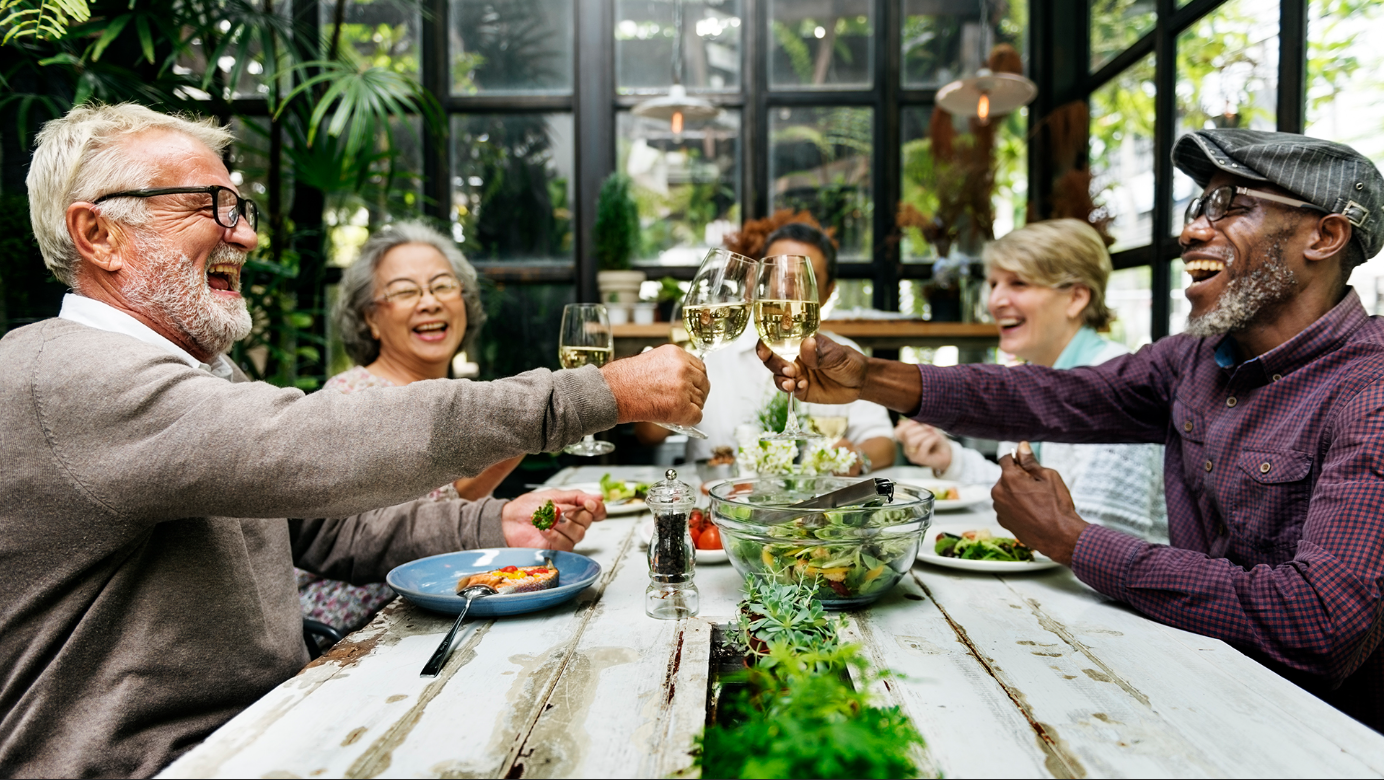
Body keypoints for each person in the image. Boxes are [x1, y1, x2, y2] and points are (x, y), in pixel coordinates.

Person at [0, 103, 708, 778]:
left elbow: (321, 532)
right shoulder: (68, 375)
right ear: (98, 235)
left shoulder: (197, 370)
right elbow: (318, 443)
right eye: (207, 205)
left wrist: (493, 522)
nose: (244, 234)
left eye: (239, 209)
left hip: (273, 723)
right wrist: (600, 393)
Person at [759, 129, 1384, 730]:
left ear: (1324, 235)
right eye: (1199, 207)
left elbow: (1320, 622)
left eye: (1232, 207)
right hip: (1192, 676)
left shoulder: (1369, 391)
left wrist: (1071, 539)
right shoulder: (1195, 359)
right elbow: (1049, 393)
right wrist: (868, 378)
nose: (1192, 230)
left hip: (1309, 729)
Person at [298, 221, 528, 635]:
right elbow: (387, 536)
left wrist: (528, 427)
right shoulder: (353, 399)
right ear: (370, 318)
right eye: (406, 291)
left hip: (434, 613)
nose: (430, 302)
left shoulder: (458, 396)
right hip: (351, 635)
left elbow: (449, 506)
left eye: (442, 286)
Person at [895, 220, 1167, 542]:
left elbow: (1101, 541)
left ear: (1076, 298)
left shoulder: (1114, 386)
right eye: (994, 284)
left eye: (1018, 283)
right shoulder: (1037, 375)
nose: (995, 301)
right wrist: (949, 458)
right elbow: (1021, 498)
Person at [638, 220, 895, 474]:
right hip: (713, 501)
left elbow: (884, 443)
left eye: (803, 279)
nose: (785, 291)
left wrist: (856, 459)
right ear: (753, 283)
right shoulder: (716, 343)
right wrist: (658, 401)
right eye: (775, 276)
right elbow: (647, 434)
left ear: (827, 292)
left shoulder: (844, 357)